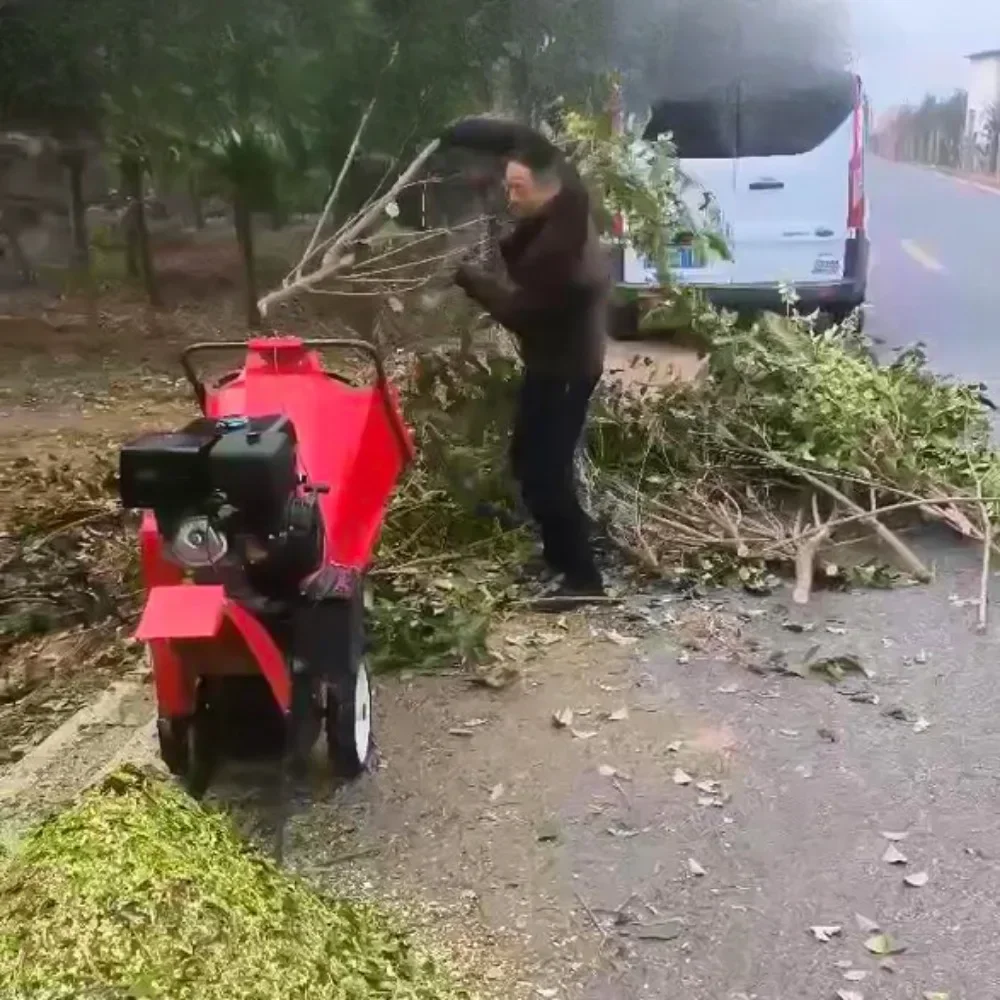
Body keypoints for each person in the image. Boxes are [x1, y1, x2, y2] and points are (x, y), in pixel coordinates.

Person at [444, 121, 609, 601]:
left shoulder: (560, 257)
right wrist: (457, 134)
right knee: (527, 462)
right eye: (507, 184)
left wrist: (468, 277)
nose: (508, 197)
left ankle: (582, 578)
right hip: (552, 362)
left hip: (566, 368)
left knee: (544, 473)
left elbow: (520, 314)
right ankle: (559, 556)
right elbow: (521, 139)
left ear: (545, 188)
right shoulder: (567, 190)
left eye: (516, 189)